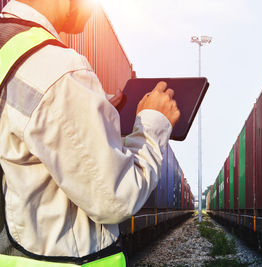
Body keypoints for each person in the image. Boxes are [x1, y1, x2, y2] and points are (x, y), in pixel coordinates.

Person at [0, 0, 180, 265]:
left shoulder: (9, 46)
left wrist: (90, 118)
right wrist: (154, 123)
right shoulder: (56, 69)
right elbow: (115, 198)